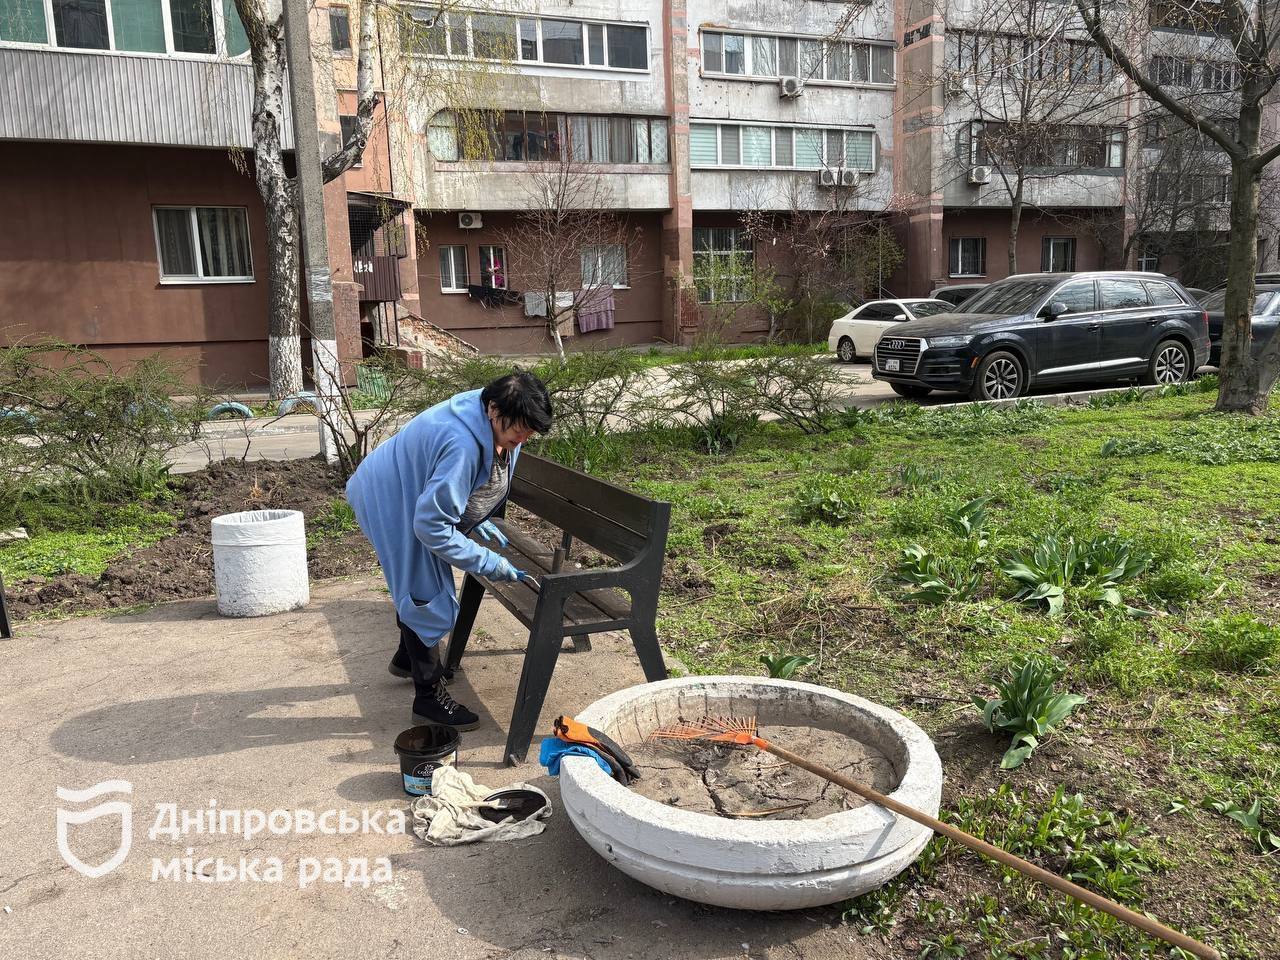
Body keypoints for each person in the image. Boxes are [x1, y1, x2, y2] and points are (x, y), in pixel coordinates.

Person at [346, 372, 553, 729]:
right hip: (393, 499)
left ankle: (407, 659)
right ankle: (428, 698)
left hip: (404, 488)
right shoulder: (462, 442)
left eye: (530, 430)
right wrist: (489, 561)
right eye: (520, 428)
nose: (525, 437)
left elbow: (472, 477)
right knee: (425, 593)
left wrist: (473, 515)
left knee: (414, 583)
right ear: (493, 408)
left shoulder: (487, 413)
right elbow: (430, 525)